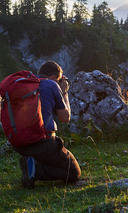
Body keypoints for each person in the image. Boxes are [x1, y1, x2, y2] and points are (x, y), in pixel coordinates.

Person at [13, 60, 81, 188]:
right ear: (53, 77)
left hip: (19, 142)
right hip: (43, 143)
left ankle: (31, 160)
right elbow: (65, 118)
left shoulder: (25, 84)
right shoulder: (51, 84)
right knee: (74, 173)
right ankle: (36, 170)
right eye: (58, 79)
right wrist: (64, 92)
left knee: (50, 157)